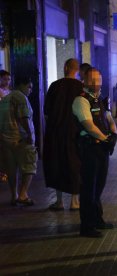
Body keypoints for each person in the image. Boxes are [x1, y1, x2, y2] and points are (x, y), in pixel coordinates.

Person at [72, 68, 117, 238]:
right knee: (88, 189)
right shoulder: (81, 101)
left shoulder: (99, 99)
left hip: (102, 149)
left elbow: (109, 119)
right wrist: (106, 139)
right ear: (84, 80)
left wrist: (114, 134)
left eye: (98, 79)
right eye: (92, 79)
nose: (96, 82)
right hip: (90, 149)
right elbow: (89, 126)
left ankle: (98, 219)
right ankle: (87, 226)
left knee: (99, 186)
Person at [43, 58, 83, 211]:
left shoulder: (55, 86)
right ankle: (75, 201)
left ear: (65, 67)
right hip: (75, 133)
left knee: (56, 163)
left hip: (56, 133)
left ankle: (59, 201)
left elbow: (46, 112)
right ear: (77, 70)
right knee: (75, 165)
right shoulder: (81, 87)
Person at [0, 75, 37, 206]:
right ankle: (23, 194)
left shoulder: (5, 99)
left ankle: (14, 195)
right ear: (22, 85)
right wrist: (30, 134)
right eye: (29, 87)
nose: (30, 90)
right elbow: (24, 117)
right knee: (29, 166)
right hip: (21, 139)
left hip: (6, 140)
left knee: (11, 169)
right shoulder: (21, 97)